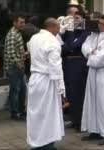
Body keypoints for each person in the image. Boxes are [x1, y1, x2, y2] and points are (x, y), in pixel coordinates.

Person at [26, 18, 66, 150]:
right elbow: (55, 67)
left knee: (36, 113)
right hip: (47, 80)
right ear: (52, 27)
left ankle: (37, 142)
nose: (59, 30)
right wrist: (61, 89)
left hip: (35, 79)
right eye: (58, 27)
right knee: (48, 113)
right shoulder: (52, 42)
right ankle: (45, 144)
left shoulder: (34, 38)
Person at [81, 14, 104, 145]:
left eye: (102, 24)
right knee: (92, 100)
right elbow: (85, 46)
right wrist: (92, 52)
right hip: (93, 72)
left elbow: (101, 59)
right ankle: (94, 130)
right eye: (99, 23)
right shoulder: (95, 35)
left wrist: (92, 54)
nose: (99, 25)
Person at [59, 10, 90, 131]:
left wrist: (70, 34)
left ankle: (80, 121)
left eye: (77, 18)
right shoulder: (70, 32)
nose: (74, 20)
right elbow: (63, 48)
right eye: (73, 18)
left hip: (79, 66)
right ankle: (73, 118)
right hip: (68, 65)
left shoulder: (85, 33)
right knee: (70, 93)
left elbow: (73, 46)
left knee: (78, 94)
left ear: (83, 19)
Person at [3, 14, 27, 120]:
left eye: (24, 22)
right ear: (15, 23)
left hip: (17, 66)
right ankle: (15, 112)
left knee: (21, 89)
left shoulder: (17, 33)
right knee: (16, 90)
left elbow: (16, 51)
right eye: (21, 22)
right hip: (14, 67)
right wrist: (20, 64)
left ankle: (20, 111)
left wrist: (25, 54)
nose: (23, 24)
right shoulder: (13, 34)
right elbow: (12, 53)